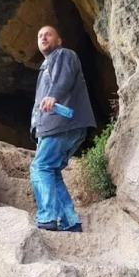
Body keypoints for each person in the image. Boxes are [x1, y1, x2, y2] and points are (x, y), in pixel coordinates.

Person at [30, 25, 96, 232]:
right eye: (40, 35)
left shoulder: (63, 55)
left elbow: (63, 78)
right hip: (63, 126)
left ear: (59, 41)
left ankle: (47, 216)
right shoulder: (46, 66)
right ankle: (70, 221)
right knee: (52, 171)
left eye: (48, 34)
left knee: (40, 167)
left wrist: (54, 95)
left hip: (60, 124)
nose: (43, 37)